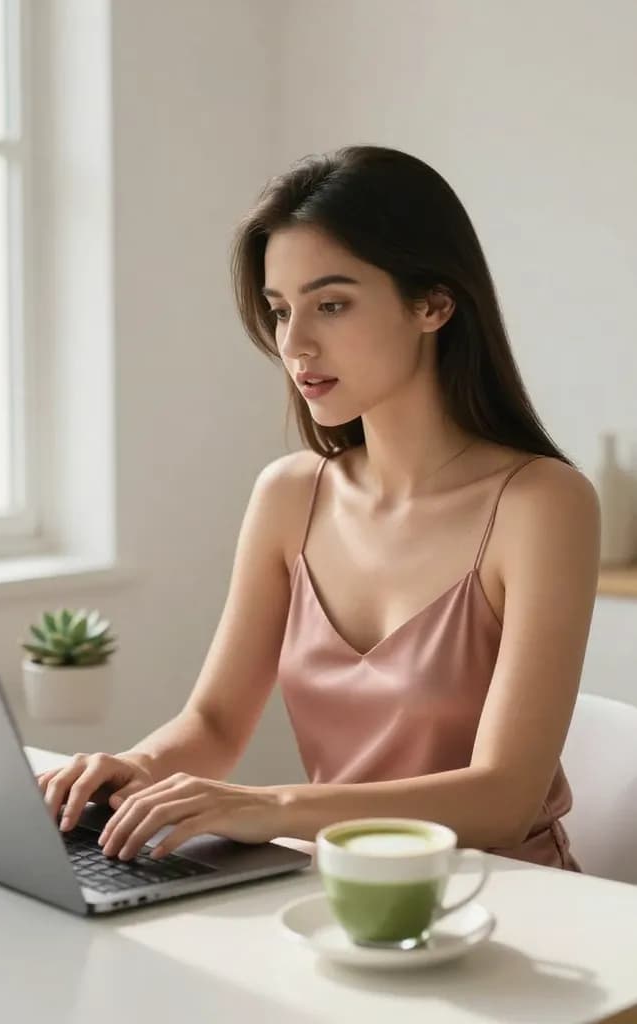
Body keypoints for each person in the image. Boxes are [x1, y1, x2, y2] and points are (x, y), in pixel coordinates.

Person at [38, 145, 599, 869]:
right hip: (340, 890)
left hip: (507, 903)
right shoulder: (289, 495)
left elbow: (504, 799)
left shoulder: (541, 504)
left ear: (433, 303)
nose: (295, 344)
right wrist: (136, 769)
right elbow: (212, 721)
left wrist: (268, 808)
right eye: (279, 311)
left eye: (331, 304)